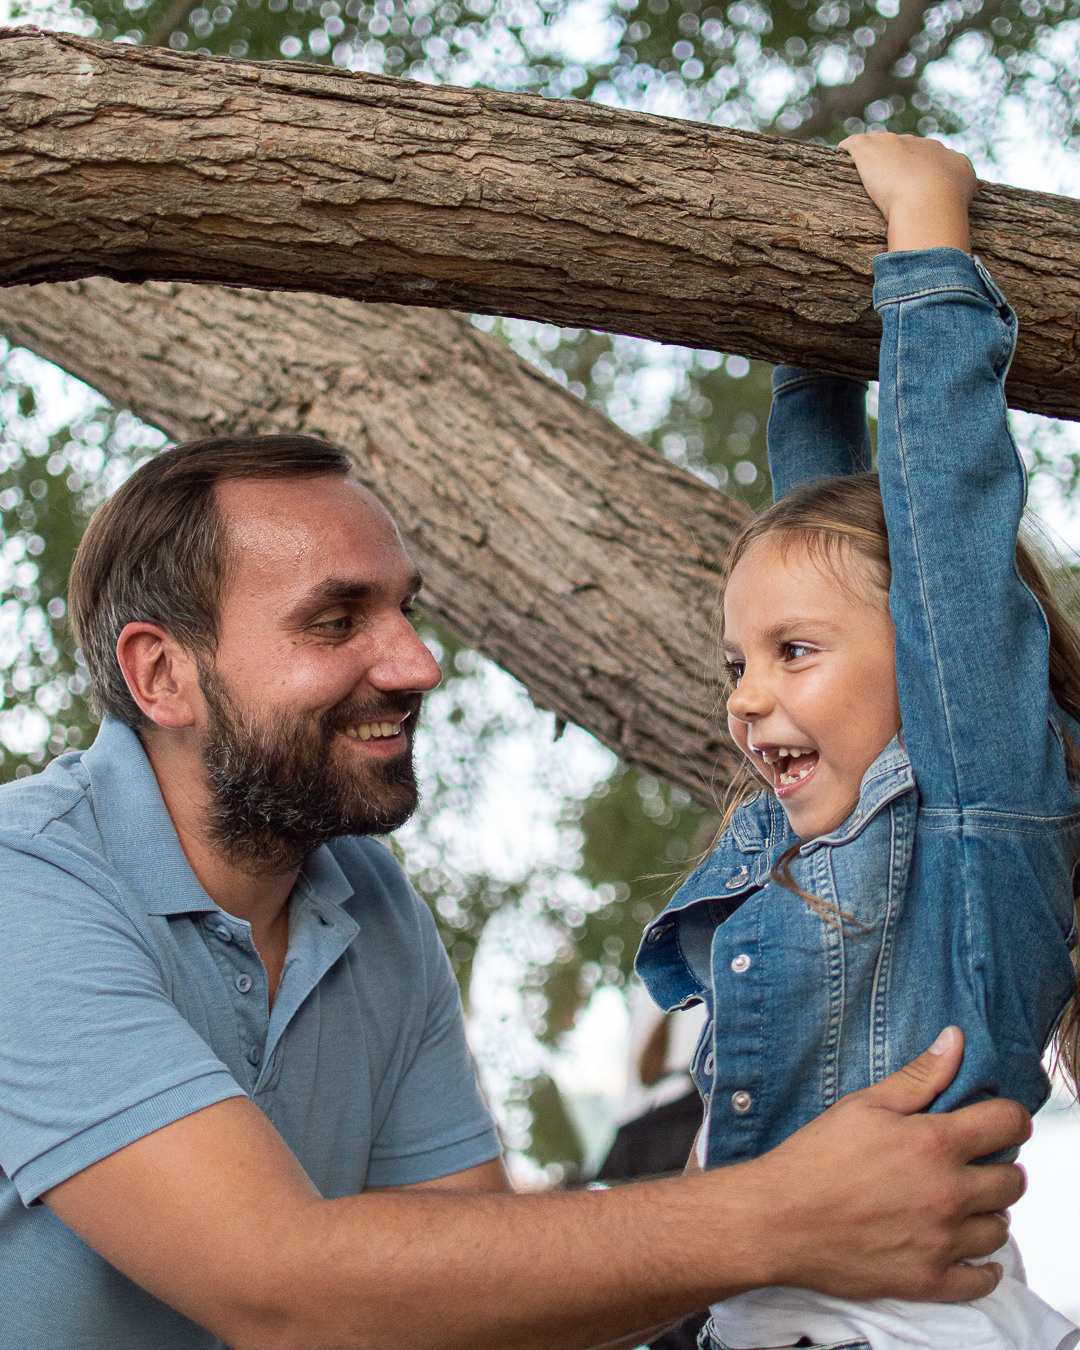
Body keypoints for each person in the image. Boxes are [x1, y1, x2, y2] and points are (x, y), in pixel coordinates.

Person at [0, 417, 1028, 1343]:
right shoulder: (26, 886)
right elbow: (278, 1289)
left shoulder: (362, 896)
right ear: (161, 676)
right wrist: (787, 1216)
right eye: (336, 622)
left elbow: (477, 1297)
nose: (415, 664)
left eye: (405, 612)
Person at [637, 133, 1080, 1350]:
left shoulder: (979, 812)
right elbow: (832, 542)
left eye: (792, 655)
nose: (743, 696)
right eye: (738, 662)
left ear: (929, 664)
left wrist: (926, 230)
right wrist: (808, 343)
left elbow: (936, 527)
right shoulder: (820, 826)